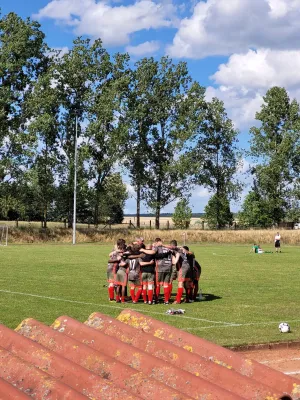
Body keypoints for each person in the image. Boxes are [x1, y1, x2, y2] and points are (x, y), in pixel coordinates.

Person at [140, 238, 174, 304]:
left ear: (156, 242)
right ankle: (166, 301)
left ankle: (156, 299)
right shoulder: (168, 247)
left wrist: (153, 247)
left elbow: (155, 254)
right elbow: (173, 247)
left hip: (160, 267)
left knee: (157, 284)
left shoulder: (156, 247)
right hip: (168, 267)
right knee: (166, 284)